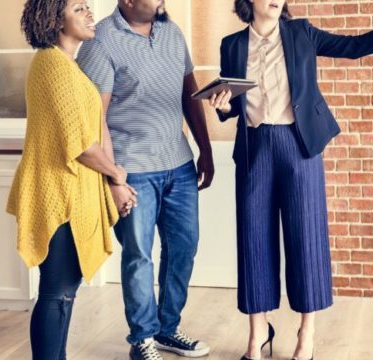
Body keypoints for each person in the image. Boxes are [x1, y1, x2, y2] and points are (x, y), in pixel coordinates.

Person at [208, 1, 373, 359]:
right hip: (255, 147)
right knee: (254, 240)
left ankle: (307, 334)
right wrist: (223, 106)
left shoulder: (302, 33)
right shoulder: (233, 45)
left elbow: (354, 47)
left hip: (299, 145)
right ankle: (257, 336)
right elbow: (234, 106)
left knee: (306, 238)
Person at [77, 0, 214, 359]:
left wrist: (206, 150)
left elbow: (190, 94)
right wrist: (113, 178)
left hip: (179, 163)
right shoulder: (101, 41)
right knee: (139, 255)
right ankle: (142, 339)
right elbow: (95, 119)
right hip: (132, 168)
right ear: (128, 1)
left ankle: (167, 330)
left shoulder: (171, 32)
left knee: (184, 247)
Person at [7, 1, 136, 358]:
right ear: (54, 18)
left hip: (72, 193)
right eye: (79, 9)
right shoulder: (51, 65)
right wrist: (117, 175)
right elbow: (78, 144)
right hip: (59, 196)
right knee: (57, 292)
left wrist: (114, 184)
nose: (90, 14)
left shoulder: (69, 67)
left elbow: (90, 131)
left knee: (63, 292)